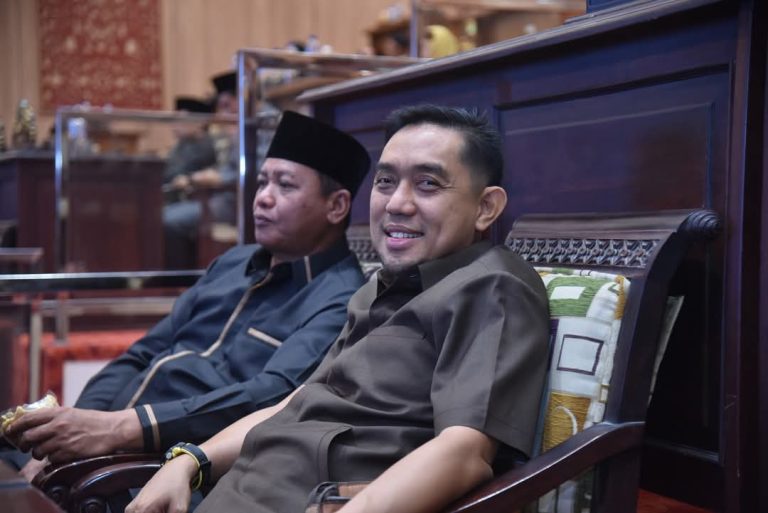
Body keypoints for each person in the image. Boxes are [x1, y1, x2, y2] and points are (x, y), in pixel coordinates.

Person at [126, 104, 550, 513]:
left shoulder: (491, 287)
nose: (397, 203)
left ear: (486, 207)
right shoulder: (379, 288)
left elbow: (465, 453)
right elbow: (297, 402)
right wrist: (189, 461)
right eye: (386, 182)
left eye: (427, 184)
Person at [4, 111, 372, 482]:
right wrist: (77, 428)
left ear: (336, 206)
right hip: (108, 440)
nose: (263, 198)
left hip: (174, 467)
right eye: (262, 182)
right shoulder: (233, 263)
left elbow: (269, 396)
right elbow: (144, 352)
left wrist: (121, 429)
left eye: (286, 186)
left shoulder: (340, 298)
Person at [163, 72, 239, 269]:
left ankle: (177, 277)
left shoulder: (249, 129)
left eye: (225, 106)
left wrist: (210, 177)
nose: (221, 115)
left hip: (231, 203)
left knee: (168, 219)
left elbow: (248, 172)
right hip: (216, 198)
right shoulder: (231, 134)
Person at [163, 96, 217, 205]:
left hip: (193, 200)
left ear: (200, 122)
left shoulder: (206, 145)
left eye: (181, 120)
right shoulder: (182, 144)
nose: (174, 126)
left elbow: (178, 173)